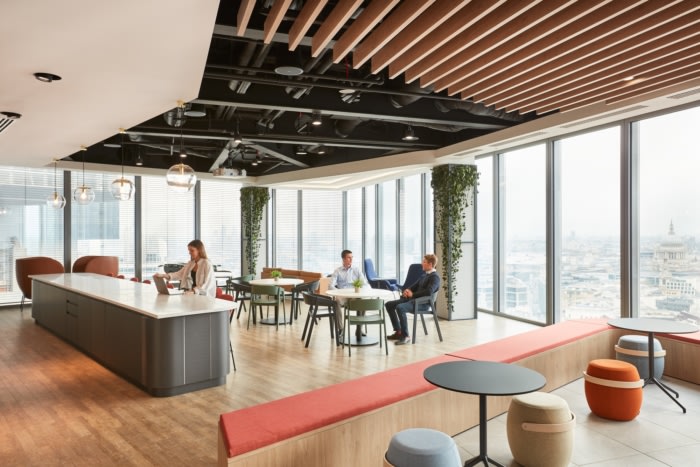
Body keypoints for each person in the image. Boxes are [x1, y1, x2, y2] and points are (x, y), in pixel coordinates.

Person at [385, 254, 441, 345]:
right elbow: (414, 286)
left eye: (424, 262)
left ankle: (405, 336)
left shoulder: (435, 277)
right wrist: (408, 290)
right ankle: (398, 332)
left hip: (422, 304)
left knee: (400, 307)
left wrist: (413, 294)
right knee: (389, 304)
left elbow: (429, 292)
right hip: (413, 301)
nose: (422, 264)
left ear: (430, 264)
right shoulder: (424, 275)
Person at [328, 249, 367, 339]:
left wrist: (363, 290)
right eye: (349, 258)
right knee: (336, 301)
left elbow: (364, 284)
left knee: (363, 302)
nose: (351, 259)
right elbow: (330, 286)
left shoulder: (356, 270)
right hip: (343, 296)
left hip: (355, 296)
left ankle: (359, 329)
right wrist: (339, 292)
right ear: (343, 259)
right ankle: (340, 329)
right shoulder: (337, 271)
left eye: (352, 257)